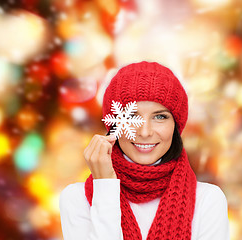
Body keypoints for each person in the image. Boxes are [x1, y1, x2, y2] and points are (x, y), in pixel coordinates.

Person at [59, 61, 230, 240]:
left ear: (176, 126)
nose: (145, 132)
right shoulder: (76, 199)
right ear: (113, 124)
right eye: (132, 116)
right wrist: (105, 186)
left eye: (160, 117)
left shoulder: (207, 201)